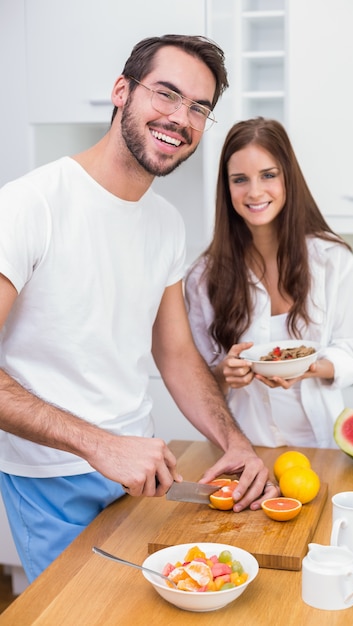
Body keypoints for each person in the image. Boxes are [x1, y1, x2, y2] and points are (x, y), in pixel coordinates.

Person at [0, 36, 277, 583]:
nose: (181, 118)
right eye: (167, 94)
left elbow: (175, 354)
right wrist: (101, 444)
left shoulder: (165, 223)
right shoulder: (29, 205)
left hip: (144, 472)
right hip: (51, 478)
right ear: (122, 91)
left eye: (199, 107)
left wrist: (234, 441)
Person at [185, 117, 353, 449]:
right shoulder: (203, 277)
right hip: (243, 448)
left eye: (268, 175)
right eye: (240, 179)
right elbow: (200, 379)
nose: (255, 192)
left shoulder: (333, 259)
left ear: (288, 178)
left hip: (323, 446)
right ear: (226, 189)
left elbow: (351, 353)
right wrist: (225, 374)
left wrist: (309, 368)